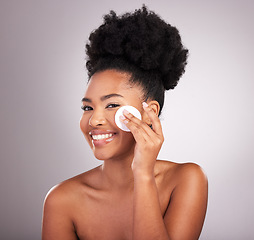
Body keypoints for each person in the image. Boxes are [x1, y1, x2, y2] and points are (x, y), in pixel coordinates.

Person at [42, 5, 208, 240]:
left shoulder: (186, 179)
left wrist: (143, 173)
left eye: (112, 105)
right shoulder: (61, 200)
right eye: (88, 108)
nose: (95, 120)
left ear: (149, 112)